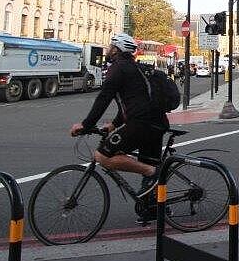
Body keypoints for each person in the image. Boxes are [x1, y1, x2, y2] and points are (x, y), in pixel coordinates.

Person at [69, 33, 169, 223]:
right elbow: (131, 102)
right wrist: (114, 124)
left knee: (102, 156)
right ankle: (153, 209)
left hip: (142, 124)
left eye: (110, 46)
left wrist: (85, 125)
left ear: (117, 49)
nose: (108, 49)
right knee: (149, 165)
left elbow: (104, 98)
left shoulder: (118, 68)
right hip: (156, 123)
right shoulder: (134, 67)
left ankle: (151, 173)